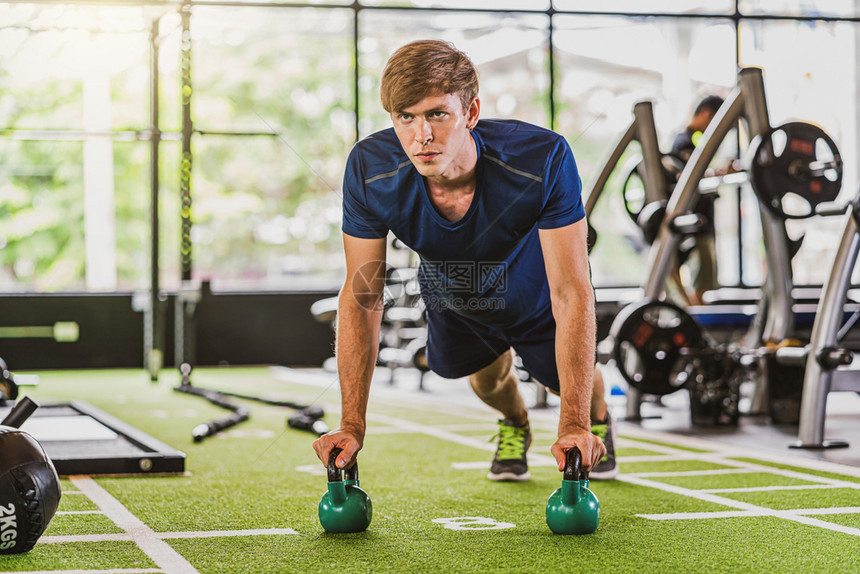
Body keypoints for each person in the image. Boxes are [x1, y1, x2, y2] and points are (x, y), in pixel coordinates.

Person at [312, 39, 616, 483]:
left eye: (437, 113)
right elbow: (362, 296)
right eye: (406, 117)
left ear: (470, 114)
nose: (423, 136)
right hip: (454, 293)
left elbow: (572, 290)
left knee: (578, 390)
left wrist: (575, 424)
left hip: (533, 288)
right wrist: (351, 424)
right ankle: (516, 423)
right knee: (487, 383)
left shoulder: (543, 157)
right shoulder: (368, 169)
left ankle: (600, 413)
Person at [666, 95, 724, 306]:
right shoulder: (682, 142)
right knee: (701, 286)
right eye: (715, 119)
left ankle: (695, 309)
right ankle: (697, 316)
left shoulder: (688, 142)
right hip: (695, 222)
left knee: (701, 284)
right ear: (706, 114)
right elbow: (687, 178)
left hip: (698, 221)